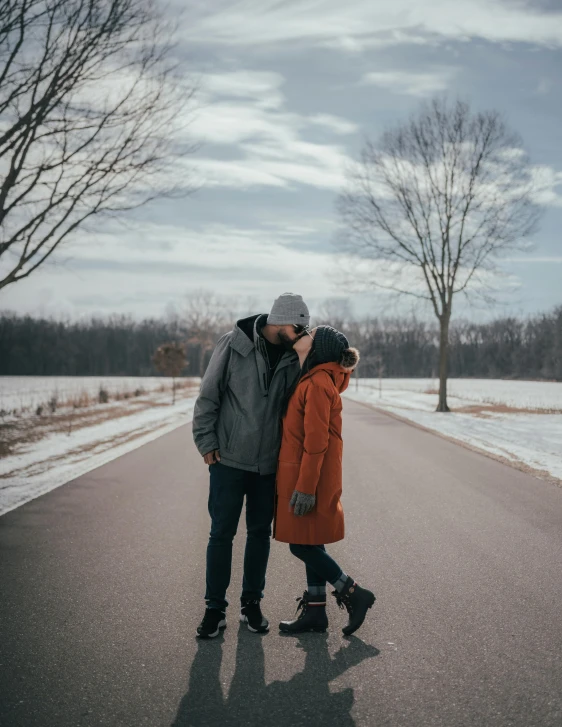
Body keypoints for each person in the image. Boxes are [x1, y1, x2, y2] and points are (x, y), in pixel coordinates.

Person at [192, 292, 310, 638]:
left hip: (268, 465)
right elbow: (208, 395)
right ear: (280, 320)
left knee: (259, 534)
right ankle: (215, 609)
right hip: (228, 459)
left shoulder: (294, 356)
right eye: (298, 326)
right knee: (221, 534)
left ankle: (251, 605)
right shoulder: (233, 344)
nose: (302, 333)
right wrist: (206, 442)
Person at [275, 325, 376, 636]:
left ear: (319, 351)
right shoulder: (319, 378)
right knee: (310, 540)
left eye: (311, 339)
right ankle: (316, 613)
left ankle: (353, 592)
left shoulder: (318, 383)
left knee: (299, 545)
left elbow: (316, 441)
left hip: (310, 476)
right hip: (314, 472)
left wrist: (305, 488)